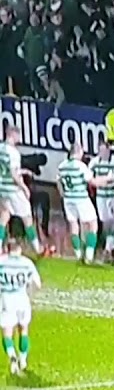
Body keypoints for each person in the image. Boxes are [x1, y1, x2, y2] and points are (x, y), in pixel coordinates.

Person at [57, 141, 112, 263]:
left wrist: (63, 194)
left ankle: (78, 254)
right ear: (78, 152)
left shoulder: (62, 166)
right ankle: (89, 255)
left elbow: (58, 182)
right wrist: (108, 179)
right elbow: (93, 182)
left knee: (74, 225)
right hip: (81, 198)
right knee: (93, 224)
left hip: (68, 199)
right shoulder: (80, 166)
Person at [0, 240, 41, 375]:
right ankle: (23, 360)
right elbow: (37, 284)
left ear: (7, 249)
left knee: (7, 332)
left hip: (6, 300)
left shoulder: (1, 262)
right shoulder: (27, 263)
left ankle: (12, 357)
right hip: (22, 299)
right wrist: (30, 293)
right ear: (20, 249)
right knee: (23, 329)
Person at [0, 126, 39, 255]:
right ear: (13, 135)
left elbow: (6, 169)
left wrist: (24, 171)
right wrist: (24, 187)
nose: (19, 138)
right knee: (27, 217)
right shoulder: (13, 152)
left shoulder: (1, 148)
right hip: (13, 188)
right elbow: (13, 173)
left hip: (2, 187)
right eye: (18, 135)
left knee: (4, 216)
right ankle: (38, 249)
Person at [89, 143, 114, 260]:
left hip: (113, 196)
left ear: (109, 151)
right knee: (104, 221)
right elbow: (91, 179)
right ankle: (112, 248)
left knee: (111, 221)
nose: (103, 153)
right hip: (101, 196)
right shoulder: (94, 163)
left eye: (105, 151)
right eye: (101, 151)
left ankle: (107, 249)